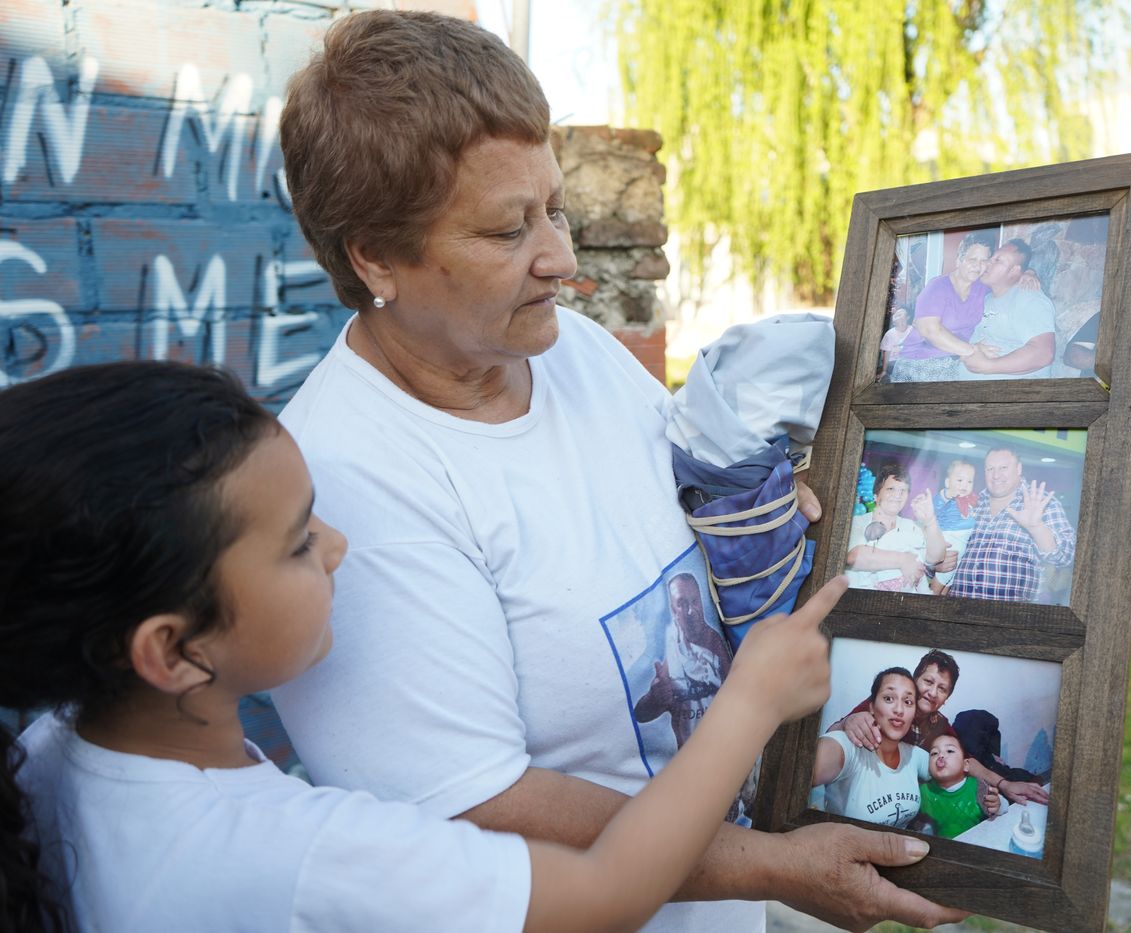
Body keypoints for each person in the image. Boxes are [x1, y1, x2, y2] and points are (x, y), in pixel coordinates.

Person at [269, 11, 963, 932]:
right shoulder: (346, 479)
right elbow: (483, 807)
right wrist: (775, 867)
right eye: (507, 231)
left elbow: (685, 508)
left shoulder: (567, 350)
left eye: (553, 207)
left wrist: (757, 512)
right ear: (374, 256)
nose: (561, 259)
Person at [0, 362, 844, 933]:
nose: (337, 545)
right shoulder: (294, 851)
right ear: (173, 651)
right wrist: (749, 701)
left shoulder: (51, 756)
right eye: (298, 543)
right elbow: (606, 891)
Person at [829, 649, 1049, 806]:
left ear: (946, 698)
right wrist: (846, 722)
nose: (932, 693)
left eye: (942, 689)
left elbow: (965, 761)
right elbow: (832, 736)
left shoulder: (940, 724)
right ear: (914, 680)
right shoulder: (886, 704)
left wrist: (1004, 784)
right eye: (928, 682)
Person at [944, 447, 1076, 604]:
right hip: (957, 608)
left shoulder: (1040, 503)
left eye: (1003, 468)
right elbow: (952, 544)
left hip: (1009, 618)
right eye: (990, 468)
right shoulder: (974, 503)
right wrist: (940, 564)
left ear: (1018, 468)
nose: (996, 475)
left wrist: (1037, 527)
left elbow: (1068, 556)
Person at [811, 669, 929, 829]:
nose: (899, 710)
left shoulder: (914, 755)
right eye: (888, 698)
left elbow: (953, 769)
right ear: (871, 707)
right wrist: (843, 724)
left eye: (908, 702)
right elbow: (795, 769)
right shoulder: (850, 747)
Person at [633, 573, 731, 746]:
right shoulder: (668, 655)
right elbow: (640, 714)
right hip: (691, 762)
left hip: (731, 749)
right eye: (682, 603)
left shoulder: (717, 641)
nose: (691, 610)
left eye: (695, 601)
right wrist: (655, 697)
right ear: (673, 609)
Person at [885, 232, 996, 382]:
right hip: (921, 362)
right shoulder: (937, 286)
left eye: (984, 260)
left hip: (957, 359)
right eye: (973, 259)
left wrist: (1028, 273)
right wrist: (971, 350)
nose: (978, 266)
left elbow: (1007, 286)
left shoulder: (983, 288)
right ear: (959, 260)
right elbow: (929, 330)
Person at [958, 239, 1058, 380]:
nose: (987, 263)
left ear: (1014, 270)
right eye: (991, 258)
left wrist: (988, 366)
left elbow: (1043, 353)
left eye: (997, 260)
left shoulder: (1029, 296)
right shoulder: (986, 298)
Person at [845, 461, 945, 594]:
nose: (897, 495)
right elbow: (854, 557)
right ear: (876, 495)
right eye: (891, 489)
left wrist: (930, 520)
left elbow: (936, 558)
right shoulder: (857, 522)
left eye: (903, 490)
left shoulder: (912, 527)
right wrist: (904, 560)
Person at [910, 734, 1002, 839]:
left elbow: (1000, 809)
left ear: (966, 765)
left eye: (949, 751)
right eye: (934, 753)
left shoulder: (979, 787)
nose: (940, 756)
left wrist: (997, 805)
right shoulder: (923, 792)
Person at [929, 459, 978, 591]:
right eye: (960, 480)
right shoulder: (948, 498)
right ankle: (929, 598)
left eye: (969, 481)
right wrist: (946, 494)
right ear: (947, 482)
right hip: (951, 539)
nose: (965, 485)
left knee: (950, 580)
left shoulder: (969, 501)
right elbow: (935, 506)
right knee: (943, 577)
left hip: (962, 541)